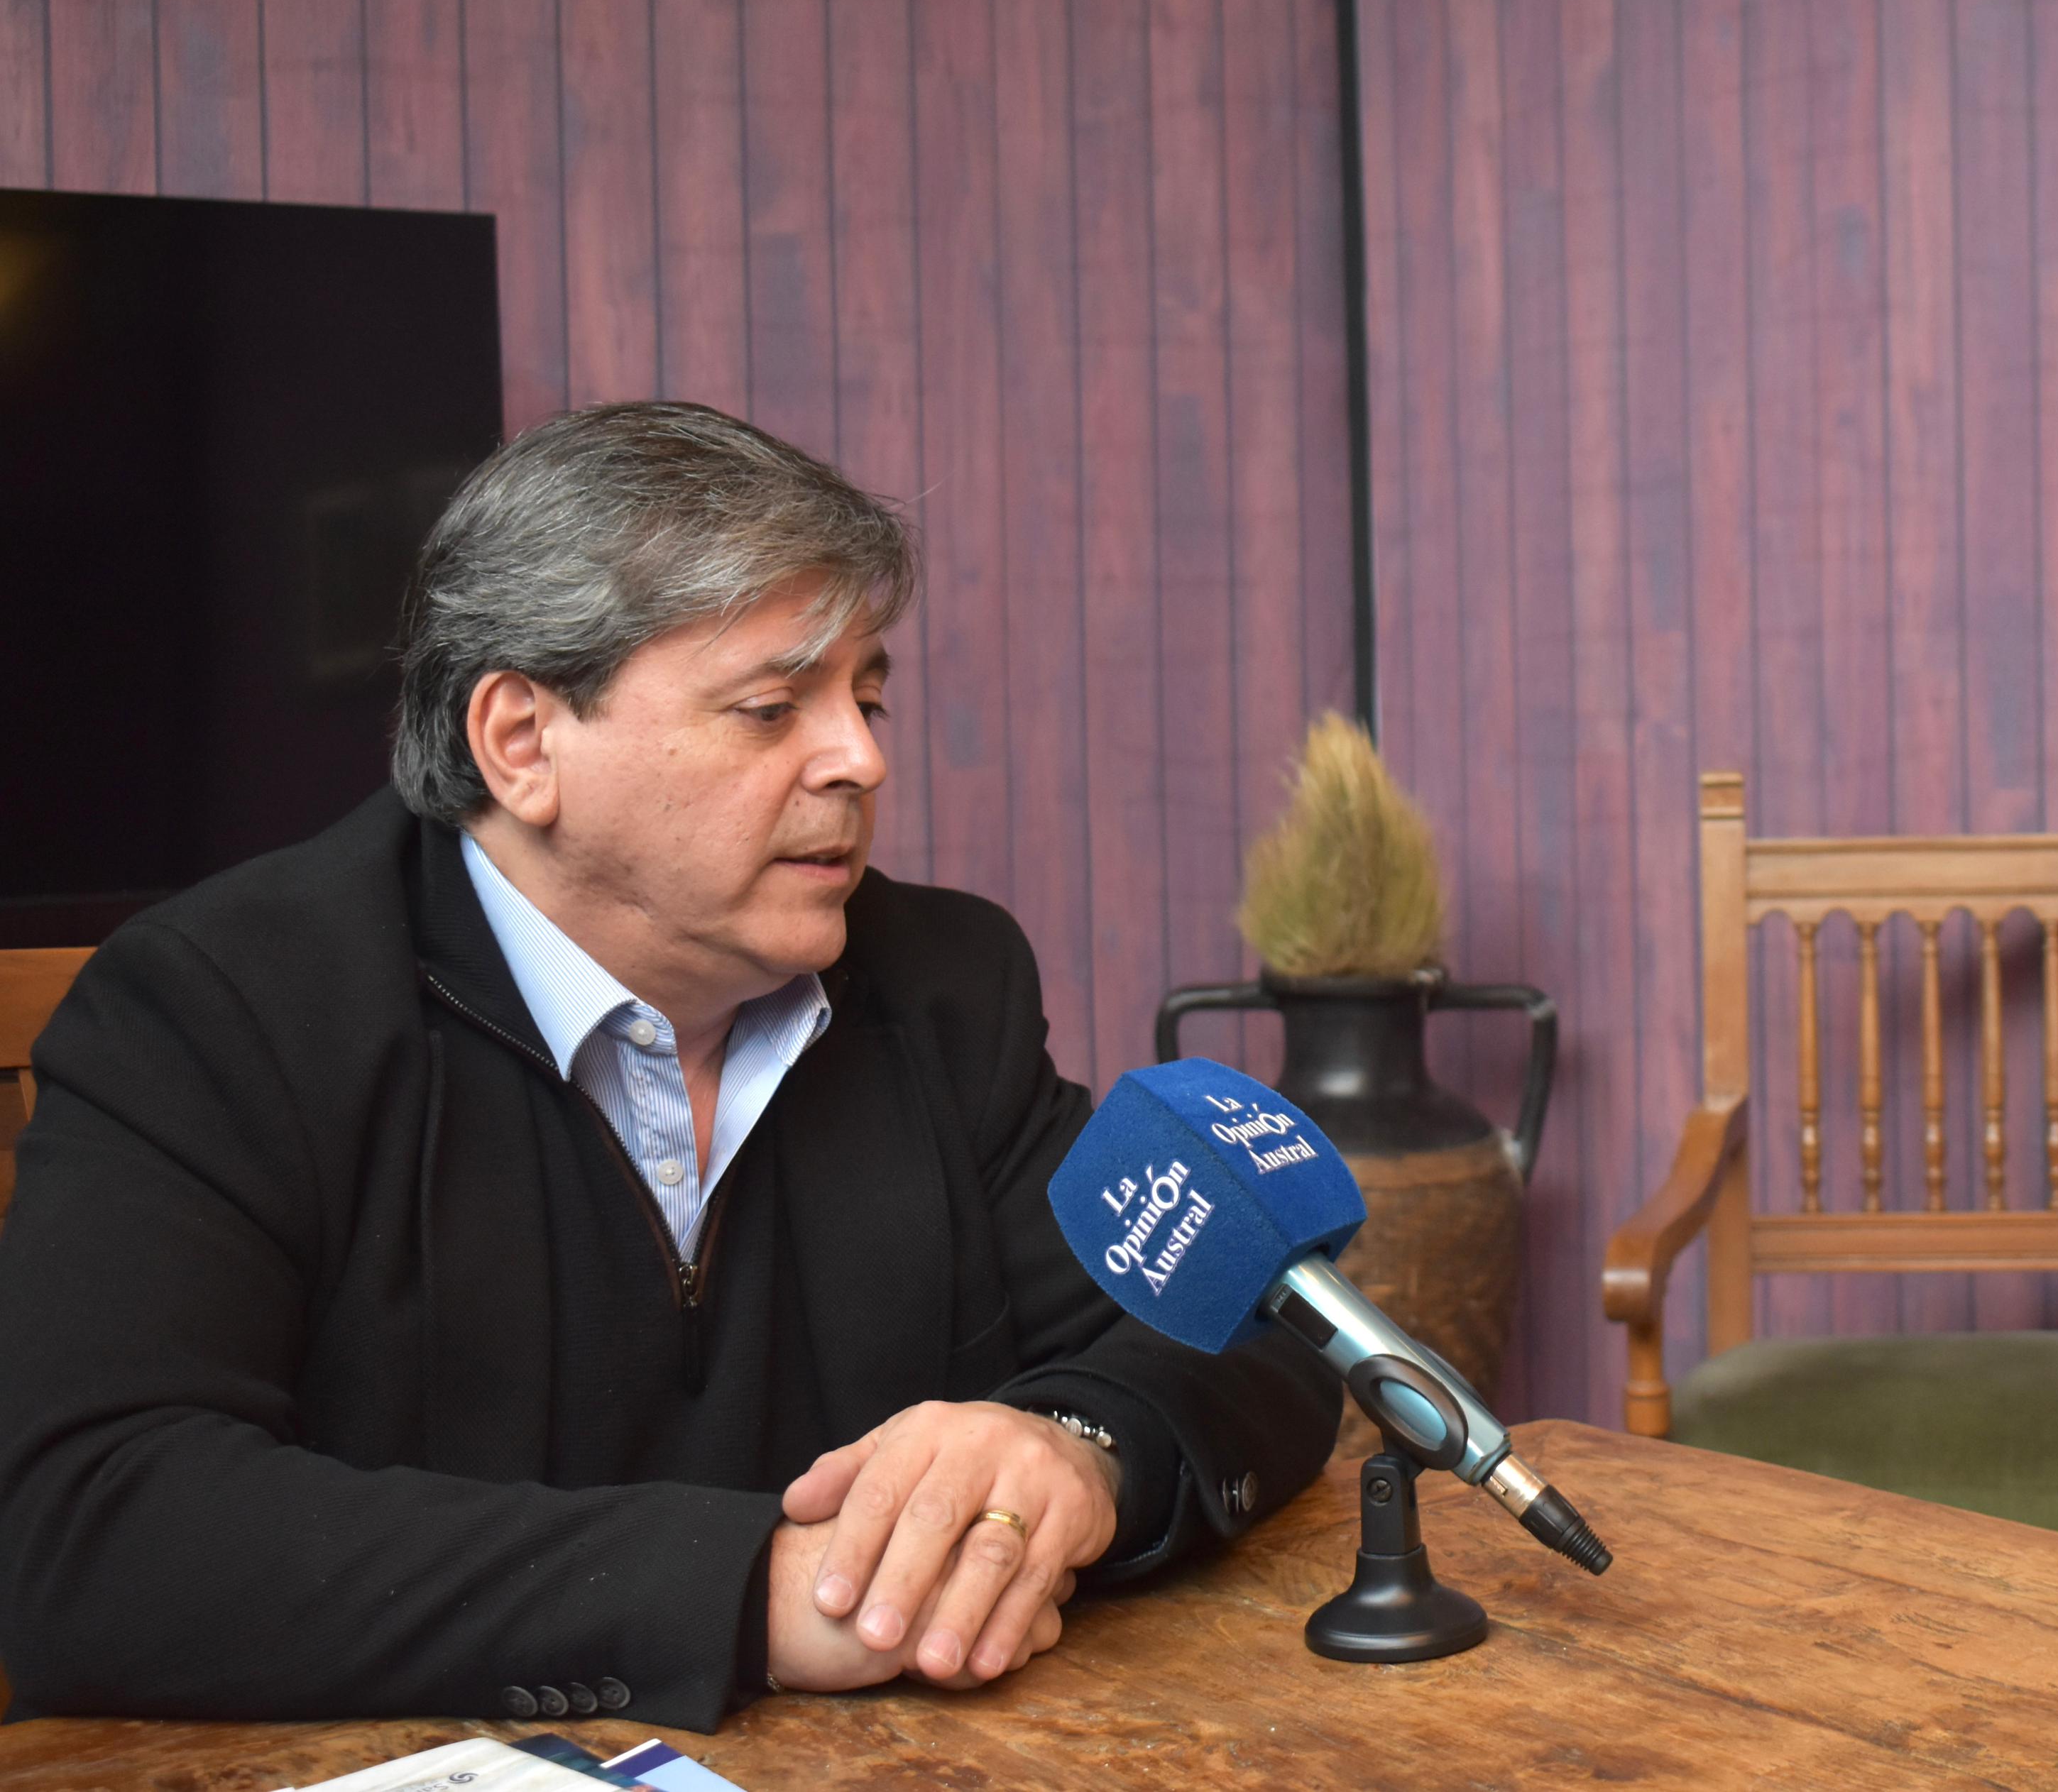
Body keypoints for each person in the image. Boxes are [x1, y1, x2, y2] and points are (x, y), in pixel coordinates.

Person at [0, 402, 1339, 1730]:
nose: (861, 757)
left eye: (866, 695)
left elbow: (1253, 1336)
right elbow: (94, 1528)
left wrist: (1076, 1450)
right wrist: (753, 1592)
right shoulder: (223, 1004)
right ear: (522, 742)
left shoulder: (944, 982)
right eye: (772, 708)